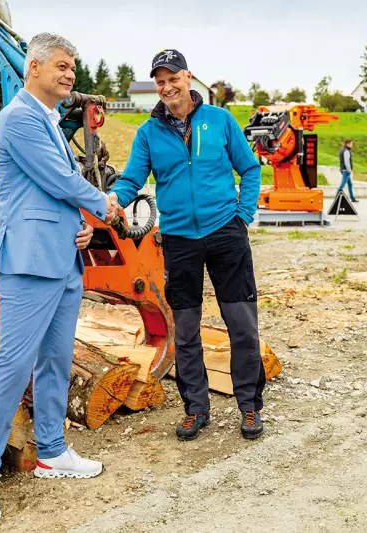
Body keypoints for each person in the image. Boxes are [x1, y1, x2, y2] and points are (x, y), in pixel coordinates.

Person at [0, 33, 118, 523]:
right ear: (33, 67)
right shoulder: (19, 120)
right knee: (13, 364)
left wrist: (77, 226)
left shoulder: (49, 119)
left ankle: (52, 452)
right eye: (61, 65)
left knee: (55, 360)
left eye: (73, 66)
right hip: (30, 262)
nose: (70, 74)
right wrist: (103, 205)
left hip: (63, 258)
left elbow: (47, 196)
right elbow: (59, 179)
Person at [108, 49, 266, 442]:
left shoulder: (220, 120)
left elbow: (249, 169)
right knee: (187, 331)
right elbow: (131, 180)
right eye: (160, 81)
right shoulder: (148, 132)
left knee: (242, 325)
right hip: (178, 240)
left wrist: (242, 216)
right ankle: (196, 409)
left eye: (172, 78)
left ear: (188, 77)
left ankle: (249, 406)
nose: (167, 87)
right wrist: (111, 200)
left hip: (226, 234)